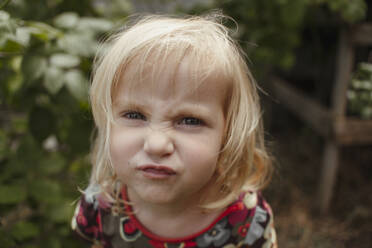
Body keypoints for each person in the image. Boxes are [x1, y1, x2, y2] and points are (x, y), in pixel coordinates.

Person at [71, 12, 277, 248]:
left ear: (227, 134)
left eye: (189, 120)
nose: (157, 145)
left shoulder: (247, 220)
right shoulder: (99, 208)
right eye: (135, 115)